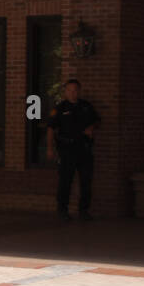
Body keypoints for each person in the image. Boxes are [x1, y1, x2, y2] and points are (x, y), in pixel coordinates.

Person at [47, 78, 100, 221]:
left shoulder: (86, 106)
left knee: (86, 181)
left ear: (79, 91)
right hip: (67, 149)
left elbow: (96, 121)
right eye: (69, 90)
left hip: (84, 149)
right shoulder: (59, 108)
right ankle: (62, 210)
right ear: (65, 92)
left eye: (75, 90)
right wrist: (50, 149)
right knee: (65, 180)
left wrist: (91, 128)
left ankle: (84, 210)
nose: (72, 93)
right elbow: (51, 129)